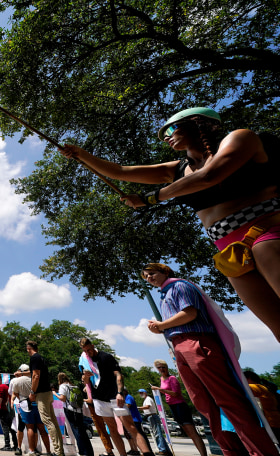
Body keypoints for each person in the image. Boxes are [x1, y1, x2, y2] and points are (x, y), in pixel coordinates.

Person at [60, 107, 280, 342]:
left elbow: (209, 176)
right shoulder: (177, 169)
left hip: (265, 232)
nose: (166, 136)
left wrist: (152, 197)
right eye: (164, 133)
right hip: (228, 251)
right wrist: (82, 154)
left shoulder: (241, 137)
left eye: (172, 128)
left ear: (198, 123)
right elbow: (120, 171)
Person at [144, 262, 279, 456]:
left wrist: (162, 325)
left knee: (228, 400)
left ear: (164, 270)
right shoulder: (164, 295)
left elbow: (190, 313)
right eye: (145, 277)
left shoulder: (180, 286)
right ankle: (230, 451)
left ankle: (261, 452)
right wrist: (162, 329)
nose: (149, 278)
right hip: (179, 346)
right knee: (204, 405)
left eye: (151, 273)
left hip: (197, 342)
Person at [79, 337, 152, 456]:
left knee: (131, 427)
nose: (88, 353)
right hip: (99, 398)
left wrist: (119, 393)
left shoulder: (106, 357)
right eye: (85, 351)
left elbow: (118, 374)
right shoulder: (85, 360)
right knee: (112, 429)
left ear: (93, 346)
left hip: (114, 396)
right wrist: (86, 376)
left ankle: (147, 453)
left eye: (89, 350)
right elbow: (85, 381)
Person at [26, 340, 64, 456]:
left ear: (28, 348)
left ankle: (58, 451)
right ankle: (59, 450)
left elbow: (36, 376)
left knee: (47, 421)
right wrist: (23, 374)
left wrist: (32, 392)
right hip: (48, 392)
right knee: (53, 421)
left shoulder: (34, 358)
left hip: (41, 393)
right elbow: (35, 373)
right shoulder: (40, 358)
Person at [10, 364, 51, 456]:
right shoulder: (36, 379)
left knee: (29, 428)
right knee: (41, 428)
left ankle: (31, 450)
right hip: (38, 403)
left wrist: (22, 398)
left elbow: (15, 393)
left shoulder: (17, 381)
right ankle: (48, 451)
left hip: (25, 405)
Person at [57, 372, 93, 456]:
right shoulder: (74, 386)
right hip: (79, 411)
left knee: (76, 432)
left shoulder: (63, 386)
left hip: (70, 410)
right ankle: (89, 452)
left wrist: (55, 394)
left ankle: (82, 452)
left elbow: (62, 398)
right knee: (82, 431)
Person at [243, 370, 280, 438]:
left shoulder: (257, 387)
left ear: (249, 378)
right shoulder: (264, 388)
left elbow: (240, 388)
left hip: (270, 425)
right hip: (274, 423)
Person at [138, 389, 170, 456]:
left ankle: (162, 450)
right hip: (150, 417)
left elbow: (147, 406)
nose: (140, 394)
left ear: (145, 392)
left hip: (152, 416)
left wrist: (138, 408)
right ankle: (166, 449)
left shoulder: (148, 399)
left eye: (141, 393)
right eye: (139, 393)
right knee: (158, 433)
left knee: (157, 433)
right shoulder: (146, 399)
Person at [122, 388, 152, 456]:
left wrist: (119, 406)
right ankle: (136, 450)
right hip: (129, 419)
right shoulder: (125, 397)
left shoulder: (128, 397)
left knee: (139, 435)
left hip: (135, 419)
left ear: (125, 391)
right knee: (131, 436)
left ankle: (148, 451)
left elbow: (128, 405)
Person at [0, 374, 17, 451]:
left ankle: (7, 444)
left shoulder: (1, 386)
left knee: (5, 427)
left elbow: (1, 398)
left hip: (3, 409)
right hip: (10, 409)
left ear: (0, 379)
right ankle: (15, 444)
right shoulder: (8, 386)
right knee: (12, 428)